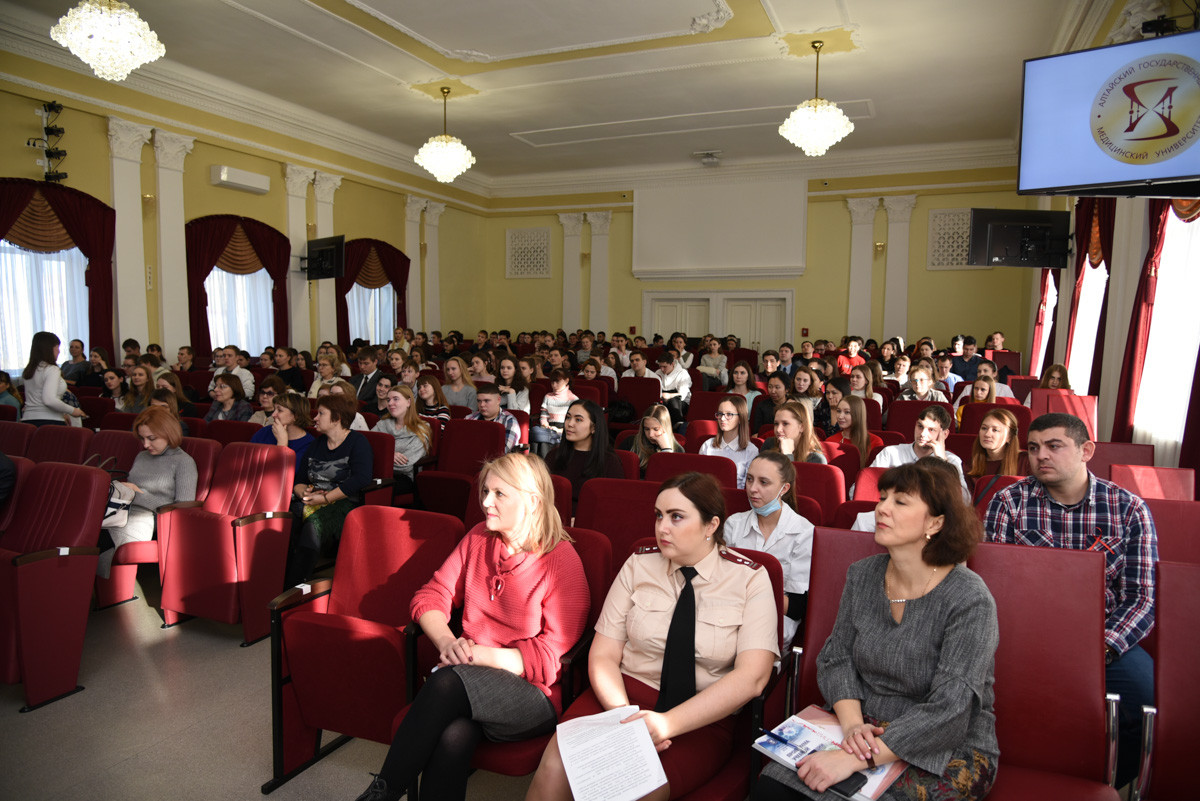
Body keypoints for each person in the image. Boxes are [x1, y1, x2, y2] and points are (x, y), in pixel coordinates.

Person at [754, 458, 999, 801]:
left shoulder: (969, 599)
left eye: (899, 501)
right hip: (863, 722)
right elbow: (836, 659)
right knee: (774, 785)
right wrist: (853, 727)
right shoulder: (863, 574)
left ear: (936, 522)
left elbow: (951, 708)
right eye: (883, 497)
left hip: (945, 743)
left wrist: (855, 757)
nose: (881, 508)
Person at [526, 472, 778, 801]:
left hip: (698, 717)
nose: (662, 527)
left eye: (676, 517)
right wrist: (625, 717)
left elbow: (752, 678)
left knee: (639, 787)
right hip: (618, 698)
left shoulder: (750, 579)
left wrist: (665, 725)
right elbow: (603, 654)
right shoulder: (638, 565)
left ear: (711, 525)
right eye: (659, 515)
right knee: (556, 764)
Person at [358, 454, 589, 801]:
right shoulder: (479, 537)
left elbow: (550, 658)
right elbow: (431, 595)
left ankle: (382, 793)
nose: (485, 502)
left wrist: (474, 656)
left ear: (532, 501)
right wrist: (448, 641)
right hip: (467, 678)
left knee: (446, 682)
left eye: (499, 494)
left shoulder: (561, 561)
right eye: (485, 491)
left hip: (531, 695)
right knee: (454, 735)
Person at [984, 413, 1156, 788]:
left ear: (1085, 450)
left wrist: (1097, 652)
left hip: (1105, 642)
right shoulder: (1008, 503)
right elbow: (992, 592)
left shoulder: (1129, 510)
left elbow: (1141, 600)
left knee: (1147, 704)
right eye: (1033, 448)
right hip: (1023, 637)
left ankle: (1100, 781)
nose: (1040, 455)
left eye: (1053, 446)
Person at [725, 451, 815, 645]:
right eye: (749, 479)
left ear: (784, 488)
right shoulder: (734, 524)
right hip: (729, 614)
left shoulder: (804, 532)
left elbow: (797, 606)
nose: (752, 489)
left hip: (774, 622)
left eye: (763, 482)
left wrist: (745, 594)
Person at [284, 394, 374, 586]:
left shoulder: (358, 442)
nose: (315, 418)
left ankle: (292, 587)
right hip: (312, 500)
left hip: (343, 503)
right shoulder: (316, 444)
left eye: (321, 414)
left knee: (313, 525)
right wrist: (304, 494)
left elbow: (361, 478)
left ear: (337, 418)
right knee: (283, 519)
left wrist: (325, 499)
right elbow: (299, 480)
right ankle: (275, 576)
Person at [98, 407, 198, 578]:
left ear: (169, 434)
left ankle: (91, 587)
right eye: (143, 438)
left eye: (151, 438)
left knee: (103, 542)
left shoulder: (184, 462)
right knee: (89, 531)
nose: (145, 445)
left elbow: (182, 510)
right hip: (124, 510)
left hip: (154, 519)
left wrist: (138, 495)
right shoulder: (142, 456)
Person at [865, 405, 970, 501]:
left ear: (944, 434)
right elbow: (860, 489)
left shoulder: (951, 460)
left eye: (931, 430)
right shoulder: (890, 453)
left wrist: (941, 461)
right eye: (920, 426)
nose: (923, 434)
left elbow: (964, 501)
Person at [545, 399, 624, 513]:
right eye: (568, 417)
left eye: (578, 419)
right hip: (552, 520)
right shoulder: (553, 455)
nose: (570, 424)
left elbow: (613, 506)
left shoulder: (610, 461)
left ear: (594, 428)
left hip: (588, 523)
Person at [373, 385, 431, 494]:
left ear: (408, 402)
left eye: (396, 399)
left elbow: (405, 466)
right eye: (388, 400)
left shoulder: (421, 429)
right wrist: (390, 455)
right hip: (376, 473)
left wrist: (379, 456)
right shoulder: (382, 424)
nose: (390, 403)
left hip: (402, 478)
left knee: (375, 490)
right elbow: (363, 448)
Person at [20, 332, 87, 427]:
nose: (59, 351)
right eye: (57, 347)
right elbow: (49, 400)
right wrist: (73, 410)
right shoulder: (52, 369)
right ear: (49, 349)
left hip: (28, 420)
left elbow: (37, 398)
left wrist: (63, 414)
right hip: (49, 421)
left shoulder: (30, 369)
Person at [966, 408, 1028, 504]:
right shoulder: (971, 464)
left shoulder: (1025, 461)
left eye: (995, 430)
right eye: (984, 428)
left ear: (1009, 437)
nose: (987, 434)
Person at [699, 396, 759, 489]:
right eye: (720, 414)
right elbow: (699, 480)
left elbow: (748, 488)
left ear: (740, 418)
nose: (722, 418)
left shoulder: (751, 451)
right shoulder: (707, 445)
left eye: (729, 414)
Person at [250, 391, 315, 474]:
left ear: (296, 416)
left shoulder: (309, 445)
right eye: (274, 409)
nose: (273, 414)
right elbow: (249, 463)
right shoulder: (265, 432)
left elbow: (284, 474)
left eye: (279, 410)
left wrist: (282, 443)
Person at [620, 404, 683, 476]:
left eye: (656, 429)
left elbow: (671, 478)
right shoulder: (629, 443)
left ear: (666, 428)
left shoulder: (678, 450)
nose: (651, 435)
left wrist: (666, 450)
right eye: (646, 429)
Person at [530, 370, 577, 458]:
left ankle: (545, 463)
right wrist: (546, 425)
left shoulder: (573, 399)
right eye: (552, 382)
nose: (554, 385)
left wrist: (559, 430)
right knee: (537, 433)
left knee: (544, 440)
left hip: (564, 429)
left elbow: (574, 423)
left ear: (566, 381)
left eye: (557, 381)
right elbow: (544, 416)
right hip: (549, 428)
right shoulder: (548, 396)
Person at [826, 396, 883, 469]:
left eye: (847, 412)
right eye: (839, 411)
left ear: (858, 414)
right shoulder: (830, 441)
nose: (840, 416)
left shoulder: (875, 442)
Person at [761, 402, 827, 463]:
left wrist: (787, 454)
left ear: (802, 427)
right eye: (776, 424)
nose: (778, 429)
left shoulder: (816, 459)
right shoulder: (769, 444)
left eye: (785, 424)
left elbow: (789, 475)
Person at [467, 383, 522, 453]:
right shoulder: (469, 418)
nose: (482, 405)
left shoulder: (509, 421)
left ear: (498, 400)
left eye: (486, 401)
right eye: (479, 401)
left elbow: (504, 450)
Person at [656, 351, 692, 430]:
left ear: (672, 364)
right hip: (663, 399)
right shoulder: (658, 372)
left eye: (664, 367)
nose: (662, 369)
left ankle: (678, 425)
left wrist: (669, 396)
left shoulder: (683, 373)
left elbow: (683, 394)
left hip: (681, 401)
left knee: (673, 402)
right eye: (660, 366)